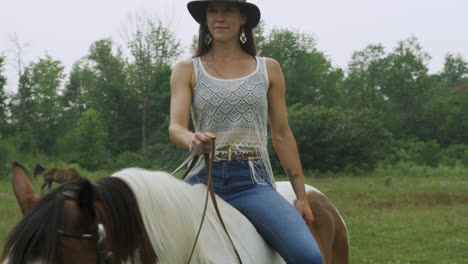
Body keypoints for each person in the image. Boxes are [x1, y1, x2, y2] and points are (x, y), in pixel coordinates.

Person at [169, 0, 323, 263]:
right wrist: (191, 138)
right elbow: (176, 127)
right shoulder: (187, 69)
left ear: (243, 18)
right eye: (212, 11)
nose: (219, 17)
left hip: (252, 182)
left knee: (308, 257)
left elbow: (282, 135)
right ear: (205, 19)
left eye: (228, 10)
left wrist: (301, 197)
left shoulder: (268, 68)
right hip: (201, 180)